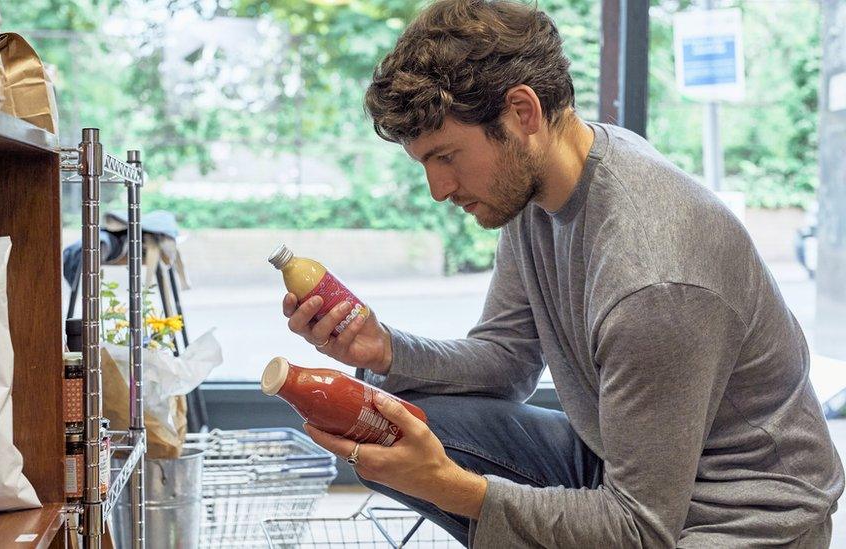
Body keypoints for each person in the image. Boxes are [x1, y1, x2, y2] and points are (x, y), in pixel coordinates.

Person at [280, 0, 845, 546]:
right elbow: (506, 362)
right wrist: (382, 350)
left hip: (737, 518)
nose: (438, 190)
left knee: (434, 472)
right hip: (628, 470)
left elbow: (639, 530)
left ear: (521, 112)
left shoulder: (653, 277)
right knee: (385, 432)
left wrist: (455, 490)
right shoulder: (538, 187)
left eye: (446, 156)